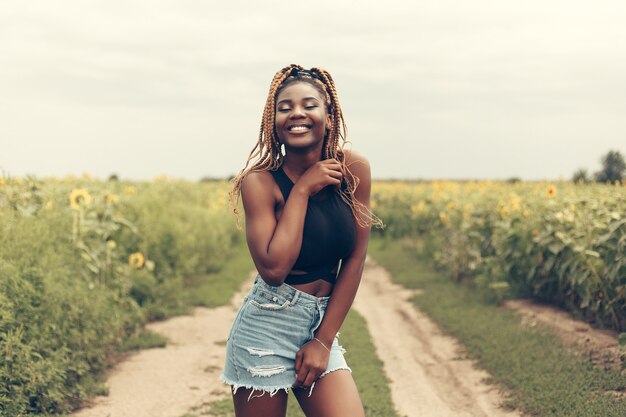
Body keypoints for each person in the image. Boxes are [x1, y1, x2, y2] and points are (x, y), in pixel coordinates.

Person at [222, 64, 384, 417]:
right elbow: (274, 269)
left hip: (318, 322)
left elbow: (355, 260)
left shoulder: (353, 170)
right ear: (274, 122)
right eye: (285, 108)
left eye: (309, 105)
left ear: (328, 113)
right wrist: (304, 189)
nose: (297, 113)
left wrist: (323, 340)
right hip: (265, 327)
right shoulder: (259, 183)